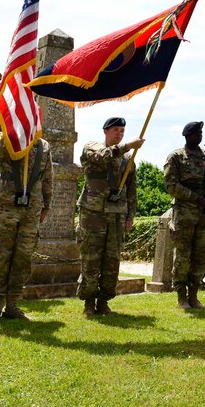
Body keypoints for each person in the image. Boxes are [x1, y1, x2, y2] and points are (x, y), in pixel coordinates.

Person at [0, 133, 54, 322]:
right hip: (6, 204)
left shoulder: (44, 146)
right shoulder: (3, 139)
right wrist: (8, 138)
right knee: (1, 254)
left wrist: (46, 206)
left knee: (23, 256)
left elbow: (47, 178)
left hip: (32, 208)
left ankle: (13, 304)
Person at [77, 116, 143, 317]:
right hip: (93, 214)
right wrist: (126, 146)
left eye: (122, 131)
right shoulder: (92, 147)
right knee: (91, 259)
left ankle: (104, 301)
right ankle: (89, 302)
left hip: (116, 216)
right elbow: (101, 156)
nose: (119, 134)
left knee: (111, 261)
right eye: (115, 130)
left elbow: (131, 191)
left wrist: (130, 216)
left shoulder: (128, 161)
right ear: (105, 131)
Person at [163, 121, 205, 310]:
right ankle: (181, 297)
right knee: (183, 255)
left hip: (203, 214)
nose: (199, 136)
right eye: (196, 133)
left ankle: (194, 295)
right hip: (184, 213)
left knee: (201, 254)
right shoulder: (176, 157)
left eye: (201, 133)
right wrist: (194, 197)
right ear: (187, 135)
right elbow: (171, 186)